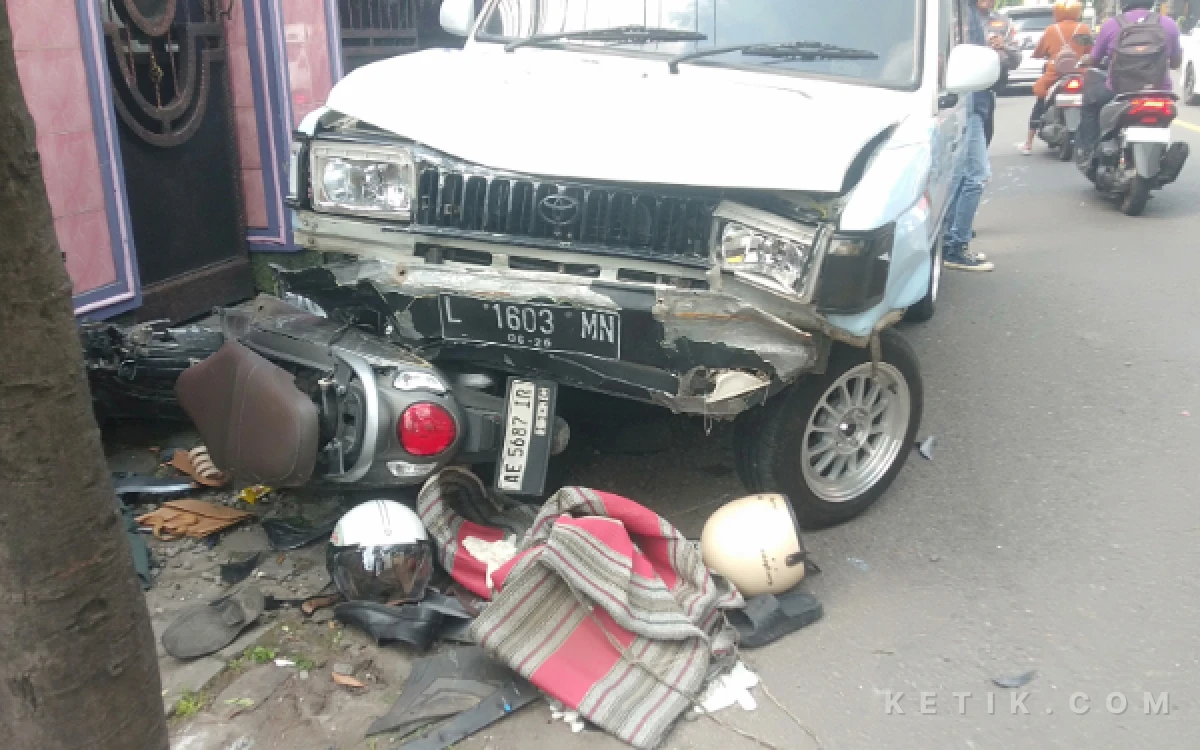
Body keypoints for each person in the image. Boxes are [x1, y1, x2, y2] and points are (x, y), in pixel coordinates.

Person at [942, 0, 1008, 272]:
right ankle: (954, 246)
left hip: (971, 104)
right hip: (967, 104)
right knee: (975, 176)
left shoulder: (970, 14)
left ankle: (951, 241)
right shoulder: (962, 14)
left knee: (962, 178)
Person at [1077, 0, 1182, 162]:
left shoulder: (1111, 25)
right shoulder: (1169, 24)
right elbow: (1175, 63)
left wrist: (1087, 60)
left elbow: (1095, 59)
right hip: (1160, 91)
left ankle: (1089, 152)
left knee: (1091, 104)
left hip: (1119, 91)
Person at [1019, 1, 1092, 154]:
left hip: (1054, 73)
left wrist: (1044, 54)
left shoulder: (1051, 29)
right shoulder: (1083, 28)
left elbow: (1039, 52)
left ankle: (1028, 143)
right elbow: (1090, 51)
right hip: (1080, 72)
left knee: (1040, 99)